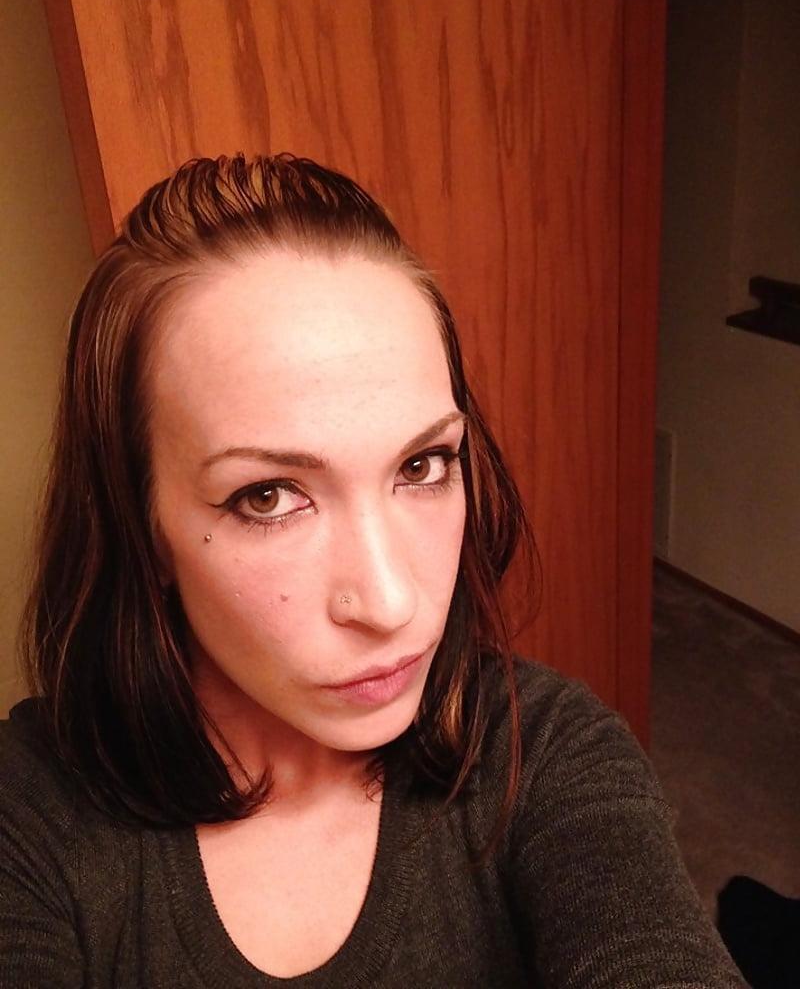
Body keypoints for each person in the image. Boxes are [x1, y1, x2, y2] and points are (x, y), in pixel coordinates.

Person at [0, 153, 745, 987]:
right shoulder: (27, 814)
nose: (392, 603)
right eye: (268, 496)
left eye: (423, 465)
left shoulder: (547, 753)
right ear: (140, 527)